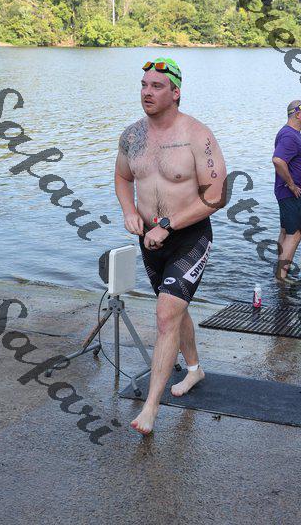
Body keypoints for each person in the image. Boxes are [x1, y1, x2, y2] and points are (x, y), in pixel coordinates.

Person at [115, 57, 227, 435]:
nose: (147, 92)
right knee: (175, 309)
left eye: (157, 86)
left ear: (176, 92)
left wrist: (168, 225)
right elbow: (122, 177)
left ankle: (150, 407)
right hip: (149, 239)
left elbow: (217, 195)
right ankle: (194, 369)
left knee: (166, 314)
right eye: (144, 85)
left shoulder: (198, 136)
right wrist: (130, 211)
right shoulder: (132, 136)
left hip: (189, 237)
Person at [272, 100, 301, 280]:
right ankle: (281, 278)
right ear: (297, 113)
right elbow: (278, 160)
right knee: (295, 233)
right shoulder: (289, 135)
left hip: (289, 193)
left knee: (286, 232)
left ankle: (281, 270)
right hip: (291, 193)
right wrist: (291, 184)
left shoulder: (291, 134)